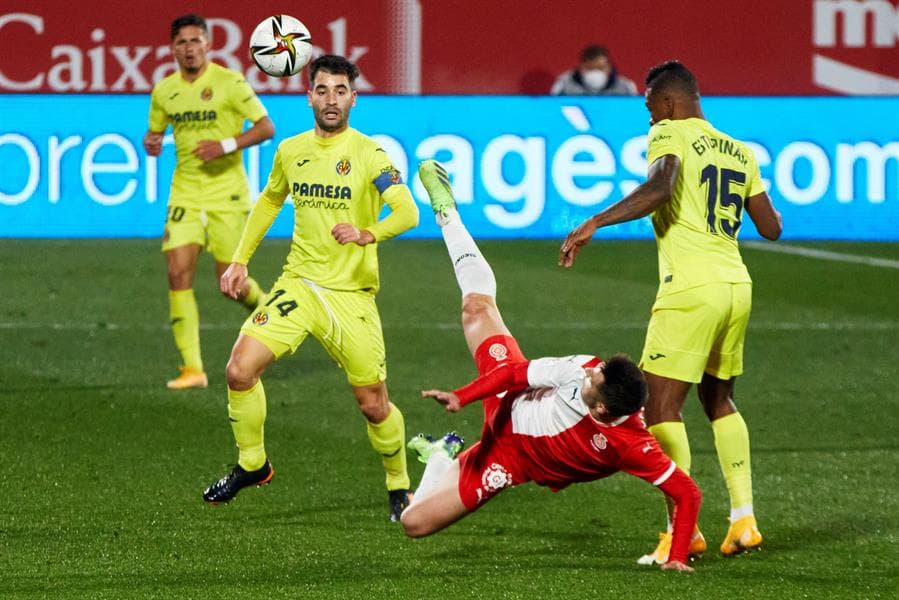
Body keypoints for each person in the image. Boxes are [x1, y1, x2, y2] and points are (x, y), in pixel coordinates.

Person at [399, 160, 702, 573]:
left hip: (508, 460)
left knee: (413, 523)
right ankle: (446, 212)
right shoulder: (581, 368)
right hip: (509, 398)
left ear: (603, 411)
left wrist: (678, 558)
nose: (590, 372)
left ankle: (439, 457)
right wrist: (463, 395)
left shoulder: (631, 445)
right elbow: (511, 374)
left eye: (596, 379)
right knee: (476, 307)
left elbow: (688, 493)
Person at [559, 60, 783, 563]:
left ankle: (682, 530)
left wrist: (597, 219)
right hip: (735, 285)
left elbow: (661, 187)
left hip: (689, 287)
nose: (649, 119)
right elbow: (771, 227)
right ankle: (744, 520)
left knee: (659, 408)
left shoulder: (669, 135)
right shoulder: (740, 150)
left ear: (669, 101)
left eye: (649, 108)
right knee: (719, 400)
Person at [202, 55, 419, 522]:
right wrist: (240, 260)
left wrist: (368, 233)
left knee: (373, 404)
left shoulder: (370, 154)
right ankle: (252, 464)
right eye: (322, 90)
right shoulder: (291, 150)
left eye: (341, 91)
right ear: (309, 96)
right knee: (239, 370)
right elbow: (268, 201)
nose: (331, 100)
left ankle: (399, 484)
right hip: (297, 286)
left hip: (350, 296)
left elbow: (407, 211)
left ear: (353, 99)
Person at [143, 14, 275, 390]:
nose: (189, 48)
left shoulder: (229, 82)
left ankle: (272, 317)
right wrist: (151, 143)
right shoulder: (164, 91)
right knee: (177, 272)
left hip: (227, 193)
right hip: (185, 191)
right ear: (172, 48)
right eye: (182, 42)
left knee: (229, 282)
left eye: (196, 41)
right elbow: (154, 135)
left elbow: (266, 127)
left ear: (209, 45)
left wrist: (226, 145)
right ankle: (192, 369)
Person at [550, 45, 638, 96]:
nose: (595, 72)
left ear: (609, 67)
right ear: (581, 67)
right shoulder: (564, 86)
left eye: (600, 68)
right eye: (590, 68)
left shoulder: (624, 87)